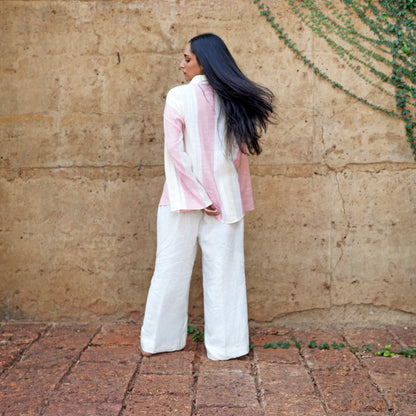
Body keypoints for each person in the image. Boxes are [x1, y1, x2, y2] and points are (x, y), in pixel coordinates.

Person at [140, 33, 274, 360]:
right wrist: (230, 200)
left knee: (170, 270)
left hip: (179, 200)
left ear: (203, 61)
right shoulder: (234, 99)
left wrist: (199, 196)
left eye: (187, 58)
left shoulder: (178, 96)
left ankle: (159, 342)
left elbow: (175, 152)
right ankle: (227, 347)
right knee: (226, 274)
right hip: (224, 201)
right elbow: (238, 160)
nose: (182, 64)